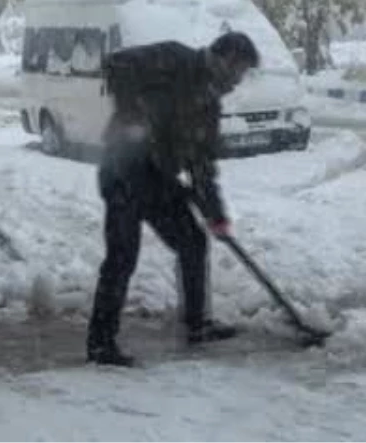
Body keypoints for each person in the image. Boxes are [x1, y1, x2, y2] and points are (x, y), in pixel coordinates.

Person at [87, 31, 261, 367]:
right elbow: (117, 63)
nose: (240, 80)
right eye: (240, 70)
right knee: (123, 256)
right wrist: (132, 116)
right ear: (225, 59)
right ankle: (100, 343)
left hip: (156, 178)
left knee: (193, 241)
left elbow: (202, 166)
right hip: (123, 169)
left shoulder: (209, 105)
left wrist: (215, 214)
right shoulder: (176, 58)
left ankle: (197, 325)